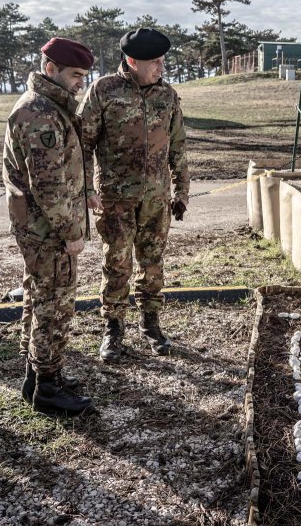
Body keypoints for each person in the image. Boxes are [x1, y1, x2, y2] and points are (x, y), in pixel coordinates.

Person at [78, 27, 189, 358]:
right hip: (115, 199)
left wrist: (181, 191)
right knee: (117, 263)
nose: (160, 67)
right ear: (131, 61)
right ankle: (113, 329)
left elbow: (178, 147)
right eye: (154, 62)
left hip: (156, 198)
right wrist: (85, 188)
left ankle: (150, 323)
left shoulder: (167, 96)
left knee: (152, 262)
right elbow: (82, 143)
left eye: (162, 61)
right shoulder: (103, 91)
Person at [3, 37, 96, 416]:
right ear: (50, 70)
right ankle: (47, 387)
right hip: (49, 230)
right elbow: (48, 185)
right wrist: (72, 231)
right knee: (54, 306)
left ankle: (37, 377)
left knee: (39, 298)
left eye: (84, 76)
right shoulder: (40, 113)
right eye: (75, 75)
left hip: (42, 227)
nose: (80, 83)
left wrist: (86, 193)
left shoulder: (49, 106)